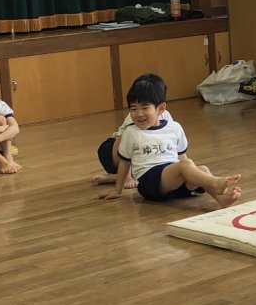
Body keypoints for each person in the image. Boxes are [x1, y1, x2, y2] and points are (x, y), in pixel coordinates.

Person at [99, 73, 242, 208]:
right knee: (185, 166)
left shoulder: (174, 127)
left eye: (145, 108)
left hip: (174, 182)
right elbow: (124, 163)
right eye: (133, 109)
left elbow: (182, 157)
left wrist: (192, 171)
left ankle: (221, 200)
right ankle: (215, 182)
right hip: (150, 183)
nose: (139, 114)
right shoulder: (131, 132)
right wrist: (118, 190)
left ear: (160, 109)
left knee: (202, 169)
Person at [92, 107, 174, 188]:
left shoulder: (166, 116)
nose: (140, 113)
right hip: (115, 154)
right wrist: (127, 178)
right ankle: (126, 176)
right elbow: (128, 142)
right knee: (132, 136)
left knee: (157, 170)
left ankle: (117, 177)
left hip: (140, 161)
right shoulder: (138, 115)